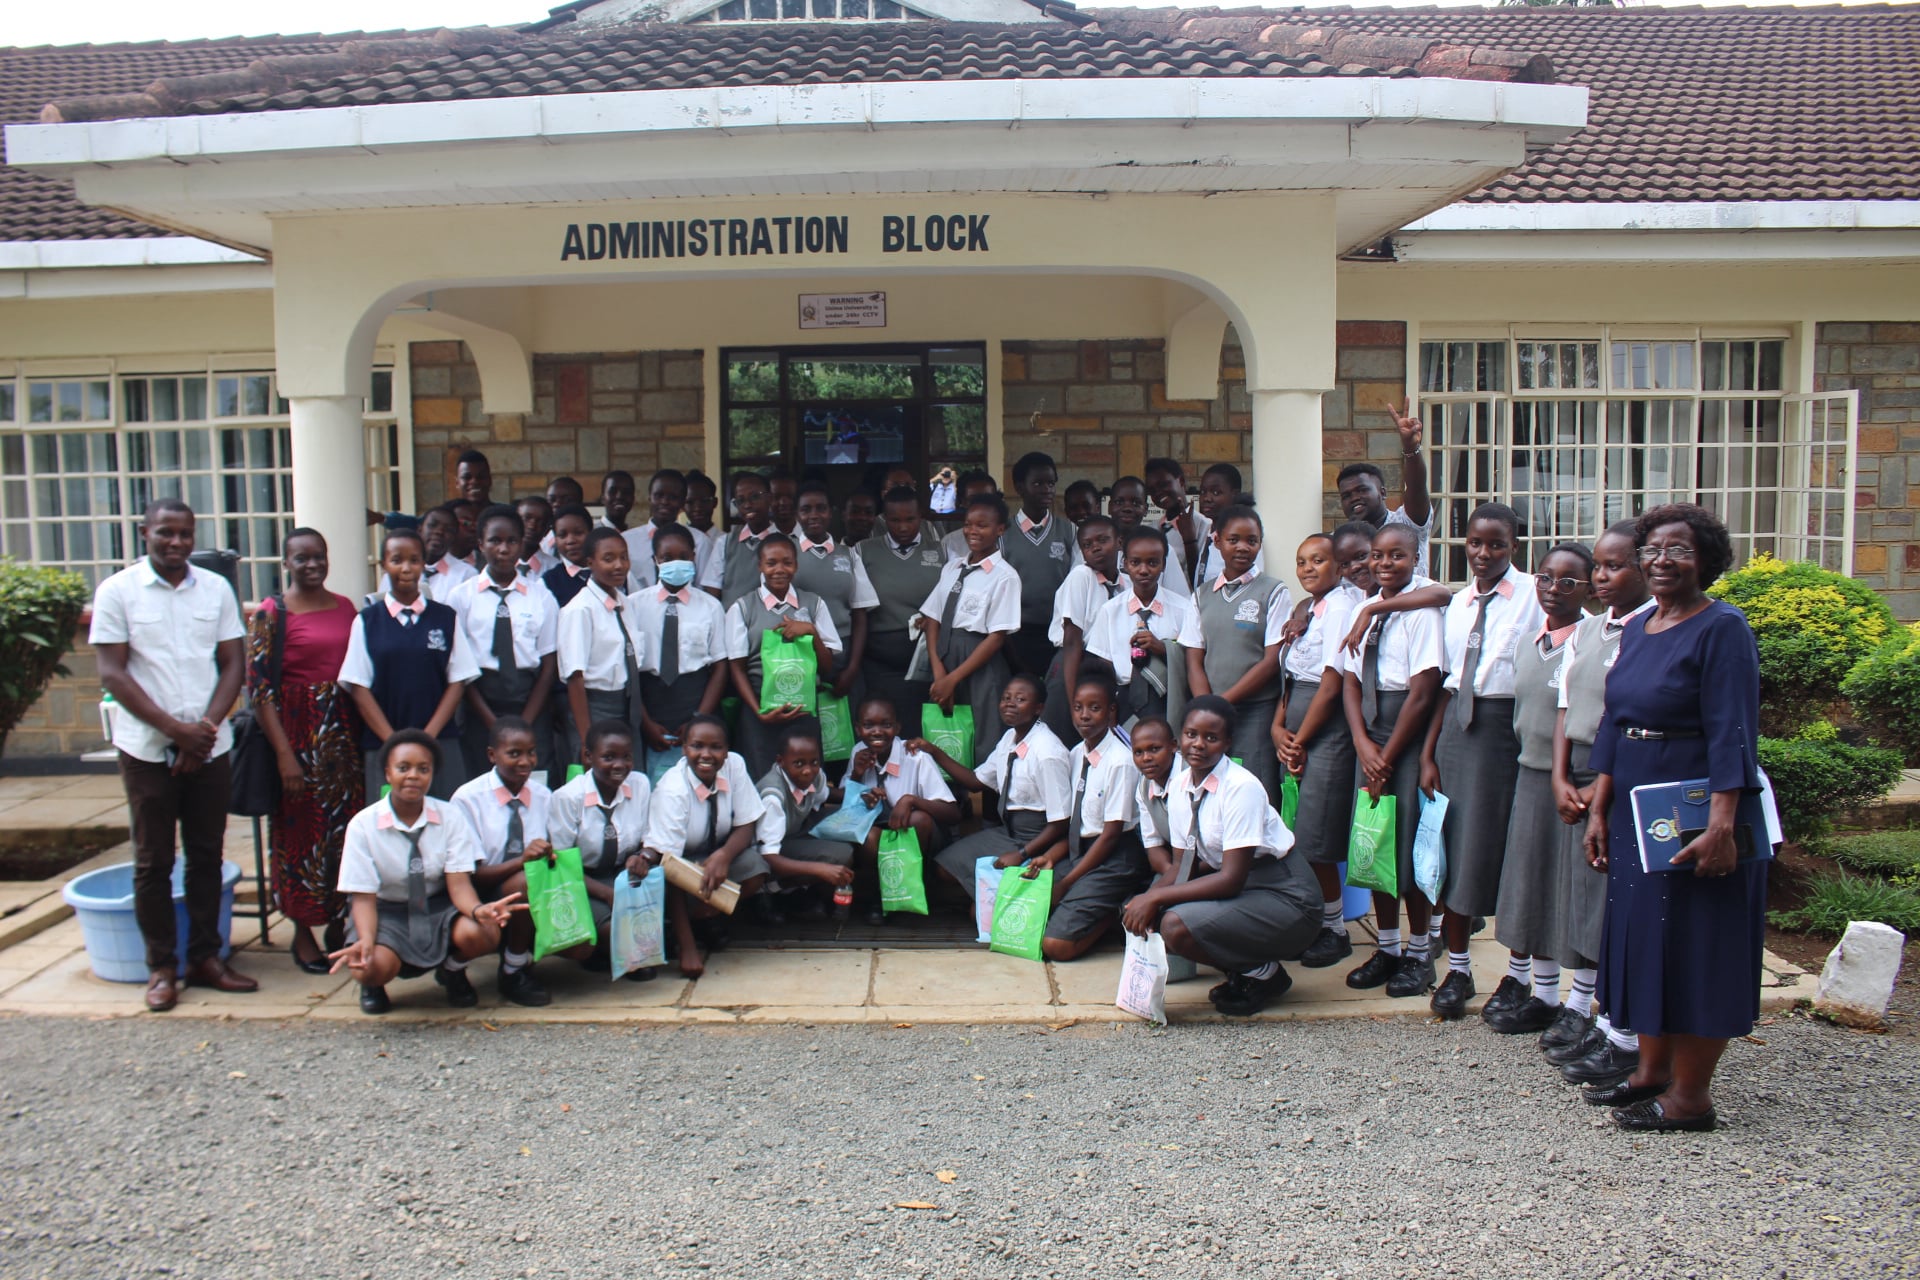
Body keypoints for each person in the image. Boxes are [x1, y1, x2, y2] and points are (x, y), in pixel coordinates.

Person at [1581, 504, 1766, 1132]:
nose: (1662, 560)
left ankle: (1691, 1099)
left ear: (1706, 560)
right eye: (1653, 549)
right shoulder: (1640, 626)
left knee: (1693, 942)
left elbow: (1733, 731)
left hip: (1694, 806)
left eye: (1679, 549)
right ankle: (1650, 1072)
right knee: (1646, 937)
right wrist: (1599, 806)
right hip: (1636, 801)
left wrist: (1721, 825)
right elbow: (1615, 721)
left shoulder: (1723, 628)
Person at [91, 498, 254, 1012]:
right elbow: (113, 673)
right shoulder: (118, 591)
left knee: (207, 855)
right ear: (145, 533)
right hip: (146, 749)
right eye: (166, 532)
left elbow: (233, 664)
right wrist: (175, 732)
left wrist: (202, 731)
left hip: (209, 744)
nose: (177, 542)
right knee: (153, 860)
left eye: (185, 533)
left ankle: (206, 957)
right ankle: (161, 967)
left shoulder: (216, 589)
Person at [1420, 502, 1545, 1020]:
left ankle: (1519, 975)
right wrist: (1429, 753)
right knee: (1454, 850)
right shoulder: (1458, 603)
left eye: (1496, 544)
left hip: (1508, 731)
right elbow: (1445, 685)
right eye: (1475, 542)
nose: (1484, 553)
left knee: (1511, 852)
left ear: (1514, 545)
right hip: (1457, 730)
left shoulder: (1536, 594)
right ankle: (1459, 969)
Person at [1121, 696, 1320, 1017]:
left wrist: (1156, 899)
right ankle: (1248, 973)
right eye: (1191, 734)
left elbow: (1230, 880)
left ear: (1227, 743)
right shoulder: (1181, 787)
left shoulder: (1241, 788)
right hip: (1248, 892)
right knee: (1155, 914)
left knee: (1175, 925)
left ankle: (1264, 975)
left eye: (1211, 737)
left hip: (1287, 897)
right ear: (1180, 739)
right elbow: (1182, 866)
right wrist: (1145, 901)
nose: (1198, 744)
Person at [1549, 523, 1654, 1085]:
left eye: (1617, 565)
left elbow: (1628, 715)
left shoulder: (1651, 629)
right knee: (1583, 897)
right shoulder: (1589, 630)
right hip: (1581, 768)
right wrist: (1561, 776)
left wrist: (1596, 790)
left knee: (1615, 903)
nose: (1603, 576)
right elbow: (1566, 705)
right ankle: (1586, 1007)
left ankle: (1617, 1024)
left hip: (1624, 773)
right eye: (1599, 566)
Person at [330, 731, 521, 1015]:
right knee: (369, 965)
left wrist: (478, 909)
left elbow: (459, 885)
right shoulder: (363, 825)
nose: (413, 776)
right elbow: (363, 897)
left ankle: (452, 970)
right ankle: (373, 984)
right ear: (388, 773)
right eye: (403, 768)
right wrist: (366, 940)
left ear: (432, 774)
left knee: (483, 932)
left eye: (423, 769)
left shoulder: (450, 816)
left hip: (436, 906)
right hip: (386, 910)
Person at [1486, 542, 1594, 1035]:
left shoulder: (1590, 641)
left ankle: (1581, 1002)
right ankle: (1544, 995)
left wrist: (1570, 778)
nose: (1553, 589)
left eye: (1568, 582)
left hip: (1573, 783)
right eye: (1546, 578)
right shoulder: (1531, 642)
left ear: (1589, 588)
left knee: (1574, 892)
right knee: (1532, 885)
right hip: (1530, 775)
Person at [246, 528, 363, 975]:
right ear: (286, 563)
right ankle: (301, 930)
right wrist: (284, 755)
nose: (312, 564)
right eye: (301, 558)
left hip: (344, 737)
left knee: (343, 834)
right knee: (299, 836)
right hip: (297, 736)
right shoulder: (271, 613)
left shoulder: (346, 607)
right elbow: (260, 691)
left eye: (319, 556)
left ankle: (336, 921)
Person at [1339, 522, 1445, 999]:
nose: (1384, 564)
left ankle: (1420, 952)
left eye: (1397, 555)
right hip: (1371, 732)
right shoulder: (1362, 607)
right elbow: (1350, 681)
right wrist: (1363, 744)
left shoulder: (1423, 610)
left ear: (1416, 557)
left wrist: (1386, 757)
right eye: (1377, 555)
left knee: (1408, 849)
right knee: (1373, 842)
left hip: (1405, 735)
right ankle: (1387, 947)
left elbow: (1423, 693)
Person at [1269, 532, 1367, 969]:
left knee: (1317, 836)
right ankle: (1313, 922)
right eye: (1301, 561)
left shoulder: (1343, 608)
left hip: (1324, 732)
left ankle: (1334, 929)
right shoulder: (1308, 609)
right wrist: (1278, 728)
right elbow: (1291, 674)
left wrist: (1301, 740)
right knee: (1297, 832)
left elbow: (1330, 684)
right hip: (1296, 726)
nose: (1308, 569)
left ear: (1339, 567)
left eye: (1319, 560)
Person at [340, 528, 479, 802]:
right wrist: (393, 742)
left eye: (414, 560)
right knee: (389, 820)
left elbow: (458, 681)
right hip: (384, 745)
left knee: (444, 816)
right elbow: (358, 687)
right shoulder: (367, 620)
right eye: (397, 560)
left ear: (423, 564)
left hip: (439, 743)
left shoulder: (445, 617)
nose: (406, 568)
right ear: (384, 565)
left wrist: (428, 738)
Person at [644, 713, 772, 977]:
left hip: (714, 856)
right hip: (677, 869)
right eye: (697, 746)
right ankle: (681, 933)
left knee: (755, 867)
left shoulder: (734, 765)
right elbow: (669, 867)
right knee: (675, 879)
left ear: (727, 750)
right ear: (684, 748)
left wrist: (724, 855)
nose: (706, 754)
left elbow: (746, 822)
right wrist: (688, 949)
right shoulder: (673, 790)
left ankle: (705, 919)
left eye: (716, 747)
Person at [928, 674, 1071, 899]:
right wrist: (933, 752)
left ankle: (995, 902)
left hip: (1040, 837)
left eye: (1020, 699)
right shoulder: (1010, 738)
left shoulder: (1047, 752)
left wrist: (1021, 853)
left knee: (981, 909)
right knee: (945, 867)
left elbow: (1060, 823)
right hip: (1009, 832)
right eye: (1006, 698)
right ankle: (990, 899)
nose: (1010, 704)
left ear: (1038, 708)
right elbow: (976, 782)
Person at [1177, 504, 1288, 796]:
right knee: (1211, 785)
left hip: (1256, 711)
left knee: (1255, 785)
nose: (1243, 547)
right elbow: (1194, 659)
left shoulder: (1274, 591)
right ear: (1216, 541)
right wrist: (1207, 707)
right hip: (1211, 712)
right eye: (1233, 539)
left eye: (1251, 541)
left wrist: (1222, 703)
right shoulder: (1201, 596)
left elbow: (1271, 660)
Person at [1041, 673, 1149, 962]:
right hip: (1081, 852)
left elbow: (1110, 835)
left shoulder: (1121, 761)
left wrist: (1067, 883)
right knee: (1026, 911)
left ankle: (1113, 916)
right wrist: (1050, 857)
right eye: (1078, 708)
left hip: (1115, 858)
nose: (1084, 715)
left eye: (1095, 708)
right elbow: (1080, 826)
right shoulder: (1076, 754)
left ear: (1112, 711)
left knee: (1056, 946)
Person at [449, 716, 557, 1006]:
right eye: (514, 753)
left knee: (531, 882)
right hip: (479, 893)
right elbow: (470, 875)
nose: (525, 761)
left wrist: (548, 854)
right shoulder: (467, 799)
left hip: (529, 891)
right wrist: (523, 860)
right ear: (492, 755)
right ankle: (491, 969)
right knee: (523, 880)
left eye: (531, 752)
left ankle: (514, 963)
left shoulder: (543, 796)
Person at [451, 505, 560, 779]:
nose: (503, 549)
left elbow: (548, 664)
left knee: (534, 780)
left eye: (512, 541)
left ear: (521, 544)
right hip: (480, 701)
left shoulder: (541, 596)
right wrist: (492, 723)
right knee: (481, 782)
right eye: (495, 541)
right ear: (480, 544)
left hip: (530, 700)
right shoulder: (461, 597)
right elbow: (461, 666)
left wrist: (526, 721)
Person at [725, 533, 843, 778]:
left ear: (796, 565)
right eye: (771, 563)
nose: (779, 570)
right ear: (760, 566)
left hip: (804, 711)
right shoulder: (742, 608)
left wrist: (811, 632)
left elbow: (827, 668)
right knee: (761, 780)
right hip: (760, 711)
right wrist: (759, 711)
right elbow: (736, 668)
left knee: (805, 779)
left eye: (787, 562)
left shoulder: (814, 604)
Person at [921, 493, 1021, 767]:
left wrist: (953, 679)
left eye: (982, 525)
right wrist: (940, 673)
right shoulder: (953, 568)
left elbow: (996, 637)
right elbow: (932, 618)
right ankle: (952, 791)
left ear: (1000, 529)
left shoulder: (1005, 576)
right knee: (948, 731)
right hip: (945, 656)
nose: (972, 531)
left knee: (983, 734)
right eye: (968, 524)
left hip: (979, 662)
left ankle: (984, 793)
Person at [548, 719, 654, 974]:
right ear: (588, 756)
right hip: (582, 880)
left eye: (626, 757)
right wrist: (607, 894)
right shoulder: (567, 798)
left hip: (621, 874)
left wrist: (642, 856)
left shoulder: (639, 784)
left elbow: (648, 838)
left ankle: (626, 950)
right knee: (616, 927)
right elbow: (561, 865)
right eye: (608, 757)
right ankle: (605, 948)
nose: (619, 765)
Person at [842, 698, 960, 922]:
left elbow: (953, 813)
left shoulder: (915, 757)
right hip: (880, 833)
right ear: (858, 729)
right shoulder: (859, 752)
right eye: (868, 725)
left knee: (918, 819)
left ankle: (916, 888)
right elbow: (845, 808)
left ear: (897, 728)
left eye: (886, 725)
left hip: (917, 836)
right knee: (868, 836)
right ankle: (881, 895)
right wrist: (857, 775)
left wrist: (911, 800)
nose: (877, 732)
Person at [630, 524, 729, 781]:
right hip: (649, 702)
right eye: (667, 558)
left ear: (694, 557)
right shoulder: (634, 606)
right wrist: (645, 721)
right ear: (655, 560)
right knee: (650, 779)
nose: (676, 563)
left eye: (683, 557)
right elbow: (629, 669)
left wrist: (699, 718)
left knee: (697, 777)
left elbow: (720, 667)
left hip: (695, 699)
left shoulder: (710, 606)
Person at [854, 486, 947, 740]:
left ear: (922, 517)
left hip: (927, 661)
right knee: (883, 728)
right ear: (884, 518)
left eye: (910, 519)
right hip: (879, 663)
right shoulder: (863, 551)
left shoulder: (941, 551)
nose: (903, 527)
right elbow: (857, 607)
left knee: (921, 730)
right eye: (895, 520)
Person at [1088, 525, 1192, 729]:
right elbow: (1104, 666)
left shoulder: (1183, 609)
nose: (1144, 570)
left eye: (1153, 562)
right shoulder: (1110, 611)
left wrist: (1163, 648)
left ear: (1163, 564)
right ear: (1125, 564)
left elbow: (1192, 658)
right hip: (1123, 697)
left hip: (1167, 697)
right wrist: (1108, 707)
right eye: (1135, 562)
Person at [557, 528, 644, 761]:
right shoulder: (580, 610)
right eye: (608, 559)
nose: (619, 565)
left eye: (623, 557)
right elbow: (575, 677)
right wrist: (587, 739)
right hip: (595, 707)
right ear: (590, 563)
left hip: (627, 705)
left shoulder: (625, 603)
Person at [755, 727, 859, 919]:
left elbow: (826, 795)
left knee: (858, 818)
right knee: (841, 854)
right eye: (799, 763)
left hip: (798, 829)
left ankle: (807, 889)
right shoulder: (773, 797)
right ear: (780, 761)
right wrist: (820, 870)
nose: (808, 770)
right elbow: (767, 856)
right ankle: (774, 888)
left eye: (814, 762)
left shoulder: (814, 775)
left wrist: (862, 796)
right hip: (774, 850)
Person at [791, 479, 877, 704]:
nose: (814, 515)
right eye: (806, 509)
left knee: (848, 717)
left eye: (821, 508)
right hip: (798, 652)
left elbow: (859, 614)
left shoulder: (848, 555)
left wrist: (853, 667)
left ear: (831, 512)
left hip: (843, 654)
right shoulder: (786, 554)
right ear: (797, 515)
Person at [1043, 515, 1124, 742]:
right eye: (1087, 545)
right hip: (1072, 663)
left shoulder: (1125, 584)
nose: (1095, 548)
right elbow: (1072, 641)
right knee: (1063, 734)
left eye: (1103, 540)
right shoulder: (1081, 577)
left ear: (1119, 542)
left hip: (1102, 666)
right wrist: (1073, 703)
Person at [1000, 452, 1077, 679]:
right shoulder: (1003, 534)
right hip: (1016, 633)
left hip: (1058, 631)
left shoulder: (1069, 531)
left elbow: (1076, 579)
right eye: (1038, 483)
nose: (1047, 490)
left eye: (1051, 483)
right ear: (1019, 488)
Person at [1336, 401, 1433, 573]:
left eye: (1362, 490)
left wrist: (1411, 448)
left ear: (1382, 493)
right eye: (1347, 495)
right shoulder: (1341, 542)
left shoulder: (1405, 523)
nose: (1354, 498)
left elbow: (1416, 488)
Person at [625, 469, 722, 595]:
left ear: (683, 502)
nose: (665, 502)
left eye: (673, 497)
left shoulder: (700, 541)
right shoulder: (627, 541)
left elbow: (703, 590)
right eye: (659, 495)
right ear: (649, 498)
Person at [1144, 457, 1204, 590]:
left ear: (1181, 481)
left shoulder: (1205, 526)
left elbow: (1201, 577)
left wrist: (1190, 541)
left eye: (1163, 484)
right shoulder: (1152, 530)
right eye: (1152, 490)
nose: (1158, 493)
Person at [721, 471, 777, 607]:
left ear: (769, 499)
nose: (747, 505)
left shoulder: (784, 542)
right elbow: (712, 589)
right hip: (731, 618)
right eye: (740, 501)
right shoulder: (725, 542)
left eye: (755, 497)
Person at [408, 506, 476, 604]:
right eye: (432, 525)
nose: (439, 532)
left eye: (448, 529)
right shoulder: (399, 569)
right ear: (420, 530)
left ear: (453, 537)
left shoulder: (466, 575)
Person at [542, 502, 595, 609]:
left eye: (578, 533)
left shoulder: (612, 572)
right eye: (562, 535)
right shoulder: (548, 582)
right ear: (555, 539)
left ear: (591, 533)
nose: (570, 541)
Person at [938, 471, 1000, 562]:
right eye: (974, 500)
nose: (981, 505)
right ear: (963, 502)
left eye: (988, 498)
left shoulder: (1011, 538)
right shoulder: (950, 542)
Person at [515, 495, 559, 580]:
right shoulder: (499, 565)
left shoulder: (556, 569)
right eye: (526, 518)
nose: (532, 526)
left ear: (547, 529)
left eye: (540, 521)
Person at [597, 470, 637, 534]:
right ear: (602, 498)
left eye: (626, 492)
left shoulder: (636, 535)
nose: (619, 497)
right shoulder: (590, 535)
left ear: (633, 499)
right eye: (613, 491)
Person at [683, 470, 719, 538]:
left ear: (715, 502)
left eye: (704, 501)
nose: (698, 508)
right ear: (682, 505)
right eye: (690, 502)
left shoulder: (727, 541)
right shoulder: (676, 540)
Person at [448, 499, 482, 566]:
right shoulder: (431, 564)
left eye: (477, 524)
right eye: (466, 523)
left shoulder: (490, 564)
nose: (474, 528)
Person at [768, 472, 800, 538]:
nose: (783, 503)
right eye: (776, 497)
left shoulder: (811, 534)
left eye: (790, 496)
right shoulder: (759, 537)